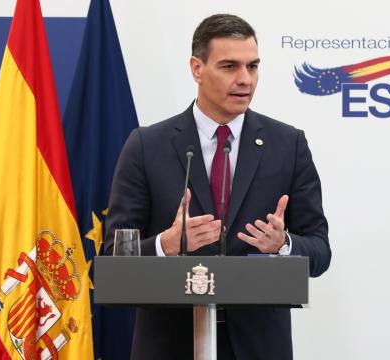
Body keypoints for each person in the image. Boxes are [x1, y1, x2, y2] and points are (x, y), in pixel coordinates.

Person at [104, 14, 331, 360]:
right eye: (229, 66)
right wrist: (166, 245)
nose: (245, 80)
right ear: (197, 68)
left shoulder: (288, 144)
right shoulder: (147, 145)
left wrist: (283, 244)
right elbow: (111, 258)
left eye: (252, 67)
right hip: (169, 346)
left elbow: (319, 250)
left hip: (257, 346)